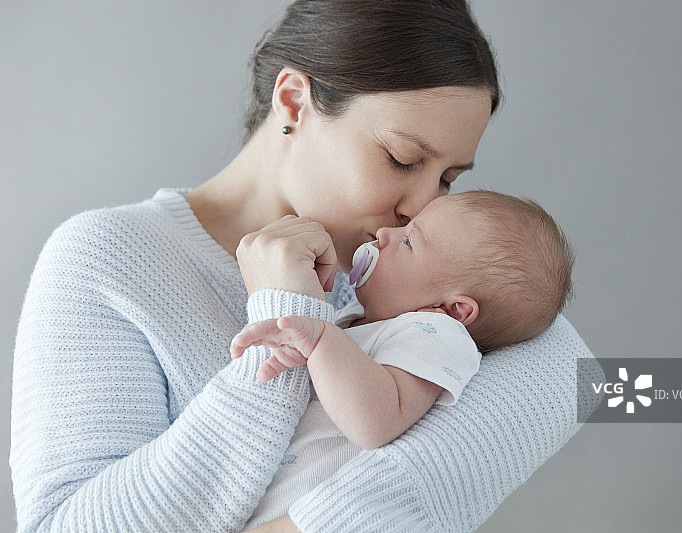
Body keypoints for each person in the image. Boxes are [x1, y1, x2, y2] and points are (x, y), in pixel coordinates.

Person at [10, 1, 597, 532]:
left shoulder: (423, 288)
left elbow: (585, 377)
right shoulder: (107, 258)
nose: (422, 207)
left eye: (446, 178)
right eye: (402, 159)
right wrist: (284, 316)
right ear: (293, 101)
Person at [231, 190, 574, 529]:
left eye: (409, 242)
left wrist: (321, 340)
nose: (384, 233)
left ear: (454, 309)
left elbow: (373, 422)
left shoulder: (436, 334)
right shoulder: (362, 315)